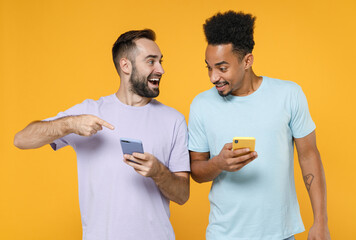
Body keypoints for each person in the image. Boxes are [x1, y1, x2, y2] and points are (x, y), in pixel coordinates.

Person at [14, 29, 190, 240]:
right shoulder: (90, 110)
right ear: (126, 65)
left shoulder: (174, 120)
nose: (161, 69)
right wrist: (69, 124)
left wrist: (159, 172)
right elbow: (21, 140)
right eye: (151, 61)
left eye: (161, 61)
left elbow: (183, 195)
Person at [188, 11, 330, 240]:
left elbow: (309, 155)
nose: (213, 77)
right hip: (224, 234)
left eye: (222, 68)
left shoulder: (288, 94)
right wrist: (219, 163)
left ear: (247, 60)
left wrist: (320, 222)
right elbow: (196, 169)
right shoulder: (201, 105)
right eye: (209, 67)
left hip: (280, 234)